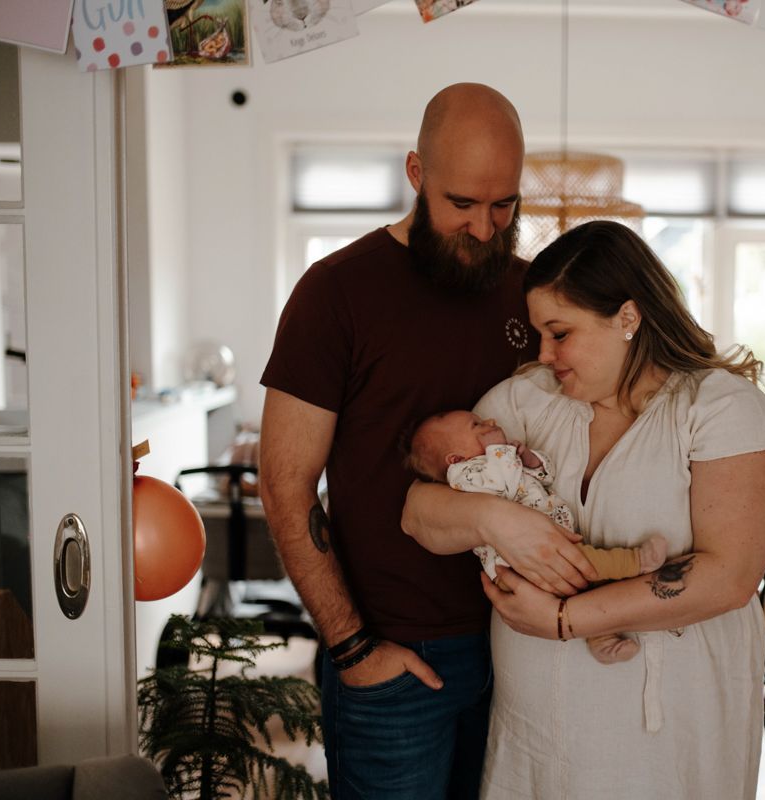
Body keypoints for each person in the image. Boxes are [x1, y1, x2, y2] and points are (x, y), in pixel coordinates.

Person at [258, 83, 598, 800]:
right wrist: (352, 648)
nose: (484, 228)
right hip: (395, 659)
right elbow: (285, 486)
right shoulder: (335, 293)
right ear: (416, 175)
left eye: (504, 205)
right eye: (462, 205)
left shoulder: (531, 295)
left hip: (525, 648)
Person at [402, 220, 765, 799]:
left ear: (627, 317)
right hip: (535, 727)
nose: (543, 352)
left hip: (664, 731)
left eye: (559, 332)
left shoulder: (721, 409)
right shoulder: (527, 400)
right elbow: (419, 511)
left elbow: (729, 577)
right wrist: (496, 520)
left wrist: (565, 622)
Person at [404, 408, 670, 663]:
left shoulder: (500, 460)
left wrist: (531, 460)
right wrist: (500, 448)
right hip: (516, 566)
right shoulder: (463, 476)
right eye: (477, 425)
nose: (490, 422)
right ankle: (636, 562)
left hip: (539, 553)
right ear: (455, 458)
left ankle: (603, 641)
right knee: (589, 564)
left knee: (582, 591)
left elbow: (544, 476)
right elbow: (502, 485)